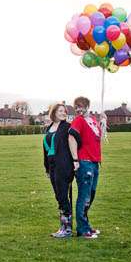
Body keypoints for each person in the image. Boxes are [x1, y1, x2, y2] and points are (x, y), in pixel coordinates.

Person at [68, 96, 106, 239]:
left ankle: (86, 225)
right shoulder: (78, 120)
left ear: (87, 106)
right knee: (84, 196)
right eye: (76, 107)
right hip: (85, 162)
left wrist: (103, 122)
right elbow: (71, 138)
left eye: (81, 106)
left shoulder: (93, 120)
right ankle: (82, 230)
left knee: (91, 195)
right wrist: (75, 159)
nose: (78, 109)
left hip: (95, 162)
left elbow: (97, 139)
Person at [43, 102, 74, 238]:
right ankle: (63, 227)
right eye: (60, 111)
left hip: (64, 166)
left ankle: (67, 229)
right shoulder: (49, 128)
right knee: (58, 196)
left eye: (64, 111)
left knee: (62, 196)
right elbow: (46, 150)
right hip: (52, 167)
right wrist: (47, 168)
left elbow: (77, 141)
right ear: (54, 112)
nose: (63, 113)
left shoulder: (67, 127)